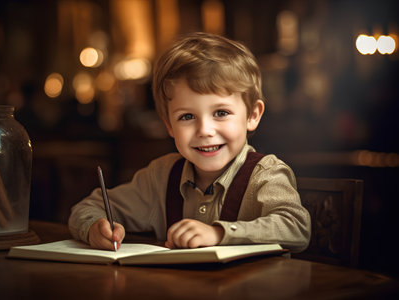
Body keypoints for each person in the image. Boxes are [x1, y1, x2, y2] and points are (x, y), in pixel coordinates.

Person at [68, 32, 311, 252]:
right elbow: (87, 208)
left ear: (252, 115)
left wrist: (219, 233)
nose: (205, 130)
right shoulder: (160, 177)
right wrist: (94, 229)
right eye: (187, 117)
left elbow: (296, 228)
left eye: (221, 113)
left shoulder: (266, 175)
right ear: (169, 126)